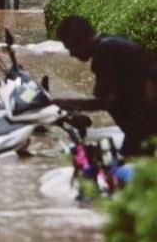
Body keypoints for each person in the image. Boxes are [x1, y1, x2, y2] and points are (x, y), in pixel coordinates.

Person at [54, 16, 157, 157]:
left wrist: (68, 104)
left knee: (132, 160)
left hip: (146, 123)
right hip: (144, 121)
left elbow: (108, 101)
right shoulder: (110, 44)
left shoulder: (105, 51)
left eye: (70, 47)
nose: (71, 54)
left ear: (80, 38)